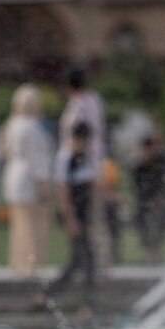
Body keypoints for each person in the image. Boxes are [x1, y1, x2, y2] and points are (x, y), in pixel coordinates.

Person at [0, 84, 53, 278]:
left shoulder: (12, 124)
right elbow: (37, 158)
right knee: (33, 224)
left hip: (14, 174)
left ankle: (17, 261)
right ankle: (31, 264)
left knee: (18, 224)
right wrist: (43, 184)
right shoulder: (32, 127)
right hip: (29, 178)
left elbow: (3, 150)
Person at [43, 121, 97, 309]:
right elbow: (63, 192)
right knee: (86, 260)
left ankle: (49, 295)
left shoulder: (83, 156)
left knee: (80, 260)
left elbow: (88, 185)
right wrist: (71, 220)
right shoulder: (66, 157)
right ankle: (84, 302)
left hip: (82, 215)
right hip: (73, 215)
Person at [58, 68, 106, 268]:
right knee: (94, 218)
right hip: (93, 165)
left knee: (88, 218)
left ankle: (92, 263)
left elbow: (79, 138)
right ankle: (96, 261)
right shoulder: (94, 100)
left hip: (83, 169)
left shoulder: (78, 107)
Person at [132, 134, 165, 264]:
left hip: (163, 202)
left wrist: (161, 200)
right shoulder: (138, 168)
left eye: (151, 149)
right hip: (146, 203)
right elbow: (139, 192)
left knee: (164, 213)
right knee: (139, 215)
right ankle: (149, 249)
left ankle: (157, 248)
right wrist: (150, 203)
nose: (148, 153)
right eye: (145, 150)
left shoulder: (163, 164)